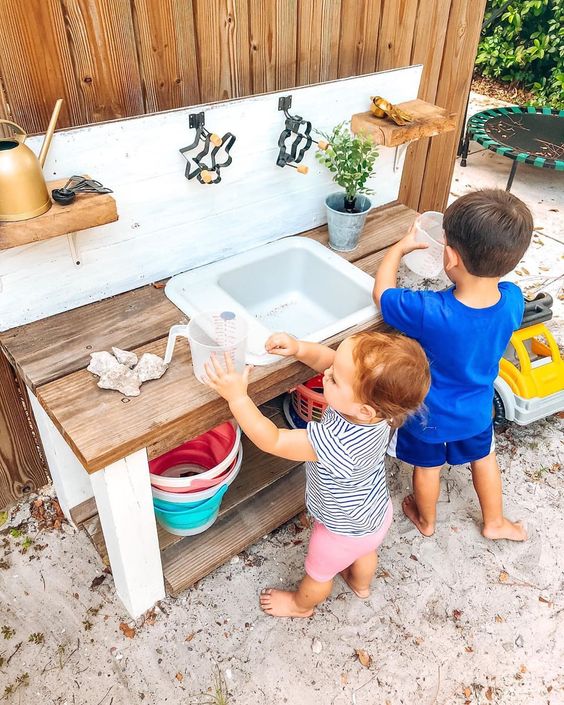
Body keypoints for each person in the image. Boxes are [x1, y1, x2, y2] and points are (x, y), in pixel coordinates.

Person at [204, 331, 430, 618]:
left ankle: (301, 605)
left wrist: (237, 398)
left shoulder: (337, 443)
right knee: (365, 551)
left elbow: (272, 440)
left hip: (340, 530)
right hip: (374, 512)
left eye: (334, 379)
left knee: (318, 575)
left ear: (363, 410)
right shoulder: (384, 412)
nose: (327, 375)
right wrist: (299, 349)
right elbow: (331, 361)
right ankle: (360, 585)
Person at [373, 189, 533, 541]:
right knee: (484, 458)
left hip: (427, 415)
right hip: (477, 410)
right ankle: (495, 522)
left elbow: (383, 295)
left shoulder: (430, 311)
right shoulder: (512, 300)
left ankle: (426, 520)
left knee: (427, 469)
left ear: (449, 256)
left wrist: (398, 249)